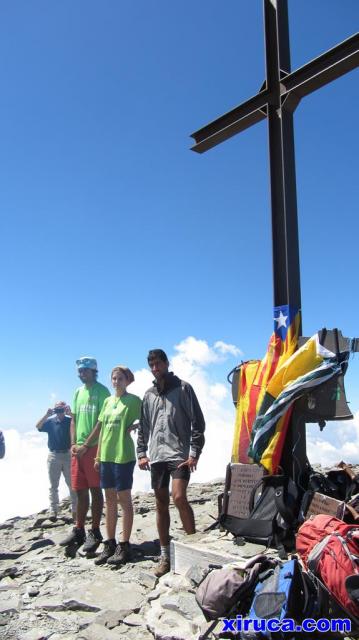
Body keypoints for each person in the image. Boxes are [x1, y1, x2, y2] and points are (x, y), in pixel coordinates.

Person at [137, 348, 205, 577]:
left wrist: (194, 452)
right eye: (152, 365)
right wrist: (141, 453)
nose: (155, 369)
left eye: (159, 364)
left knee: (179, 497)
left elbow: (198, 422)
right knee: (160, 503)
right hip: (156, 456)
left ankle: (193, 546)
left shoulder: (183, 388)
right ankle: (165, 555)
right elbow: (143, 426)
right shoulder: (148, 395)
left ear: (166, 363)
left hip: (179, 454)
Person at [60, 357, 110, 554]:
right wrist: (73, 443)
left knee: (95, 490)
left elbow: (101, 422)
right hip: (77, 449)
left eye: (85, 371)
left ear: (93, 371)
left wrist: (87, 445)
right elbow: (74, 420)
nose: (81, 374)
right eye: (80, 371)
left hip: (94, 448)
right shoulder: (78, 392)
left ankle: (95, 531)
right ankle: (79, 529)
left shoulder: (102, 391)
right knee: (80, 490)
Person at [93, 365, 141, 566]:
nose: (116, 381)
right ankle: (110, 543)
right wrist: (97, 456)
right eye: (114, 378)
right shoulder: (107, 401)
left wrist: (137, 424)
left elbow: (147, 417)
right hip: (106, 456)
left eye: (120, 378)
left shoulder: (133, 400)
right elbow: (103, 430)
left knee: (124, 500)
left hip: (123, 455)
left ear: (127, 380)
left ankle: (124, 544)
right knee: (109, 500)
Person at [36, 401, 77, 520]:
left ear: (65, 409)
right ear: (54, 410)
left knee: (72, 484)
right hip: (54, 455)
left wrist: (72, 414)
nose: (60, 412)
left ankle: (75, 509)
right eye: (57, 409)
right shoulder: (50, 421)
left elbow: (79, 424)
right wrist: (46, 415)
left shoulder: (70, 421)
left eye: (62, 409)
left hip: (68, 454)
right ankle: (54, 511)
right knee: (53, 485)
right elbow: (38, 426)